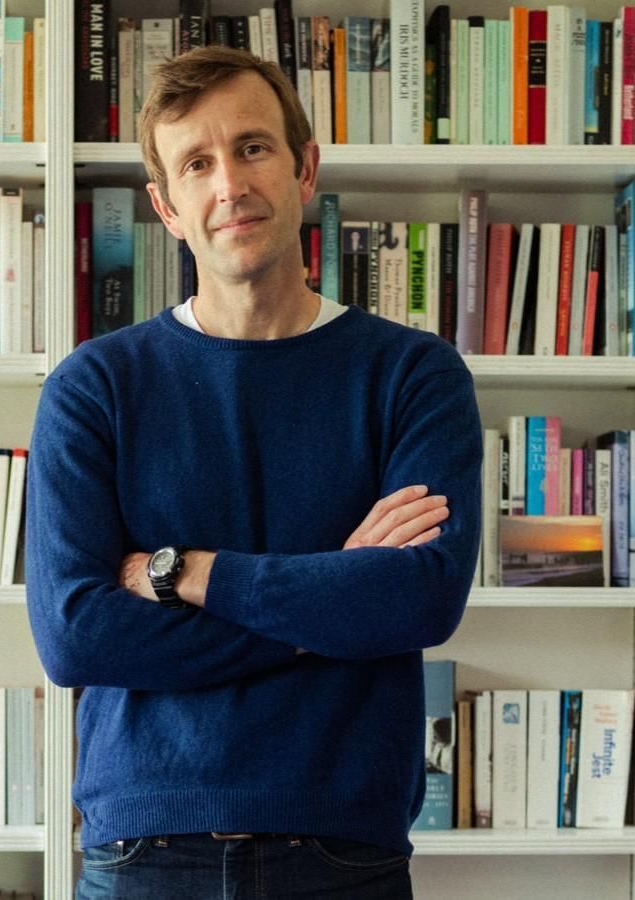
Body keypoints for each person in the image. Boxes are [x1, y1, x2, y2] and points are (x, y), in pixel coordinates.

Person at [24, 45, 482, 899]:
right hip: (143, 854)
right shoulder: (95, 387)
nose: (229, 183)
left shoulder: (413, 376)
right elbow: (76, 635)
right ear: (166, 206)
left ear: (306, 168)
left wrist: (187, 572)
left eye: (253, 148)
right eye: (197, 163)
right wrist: (332, 600)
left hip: (344, 852)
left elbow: (419, 599)